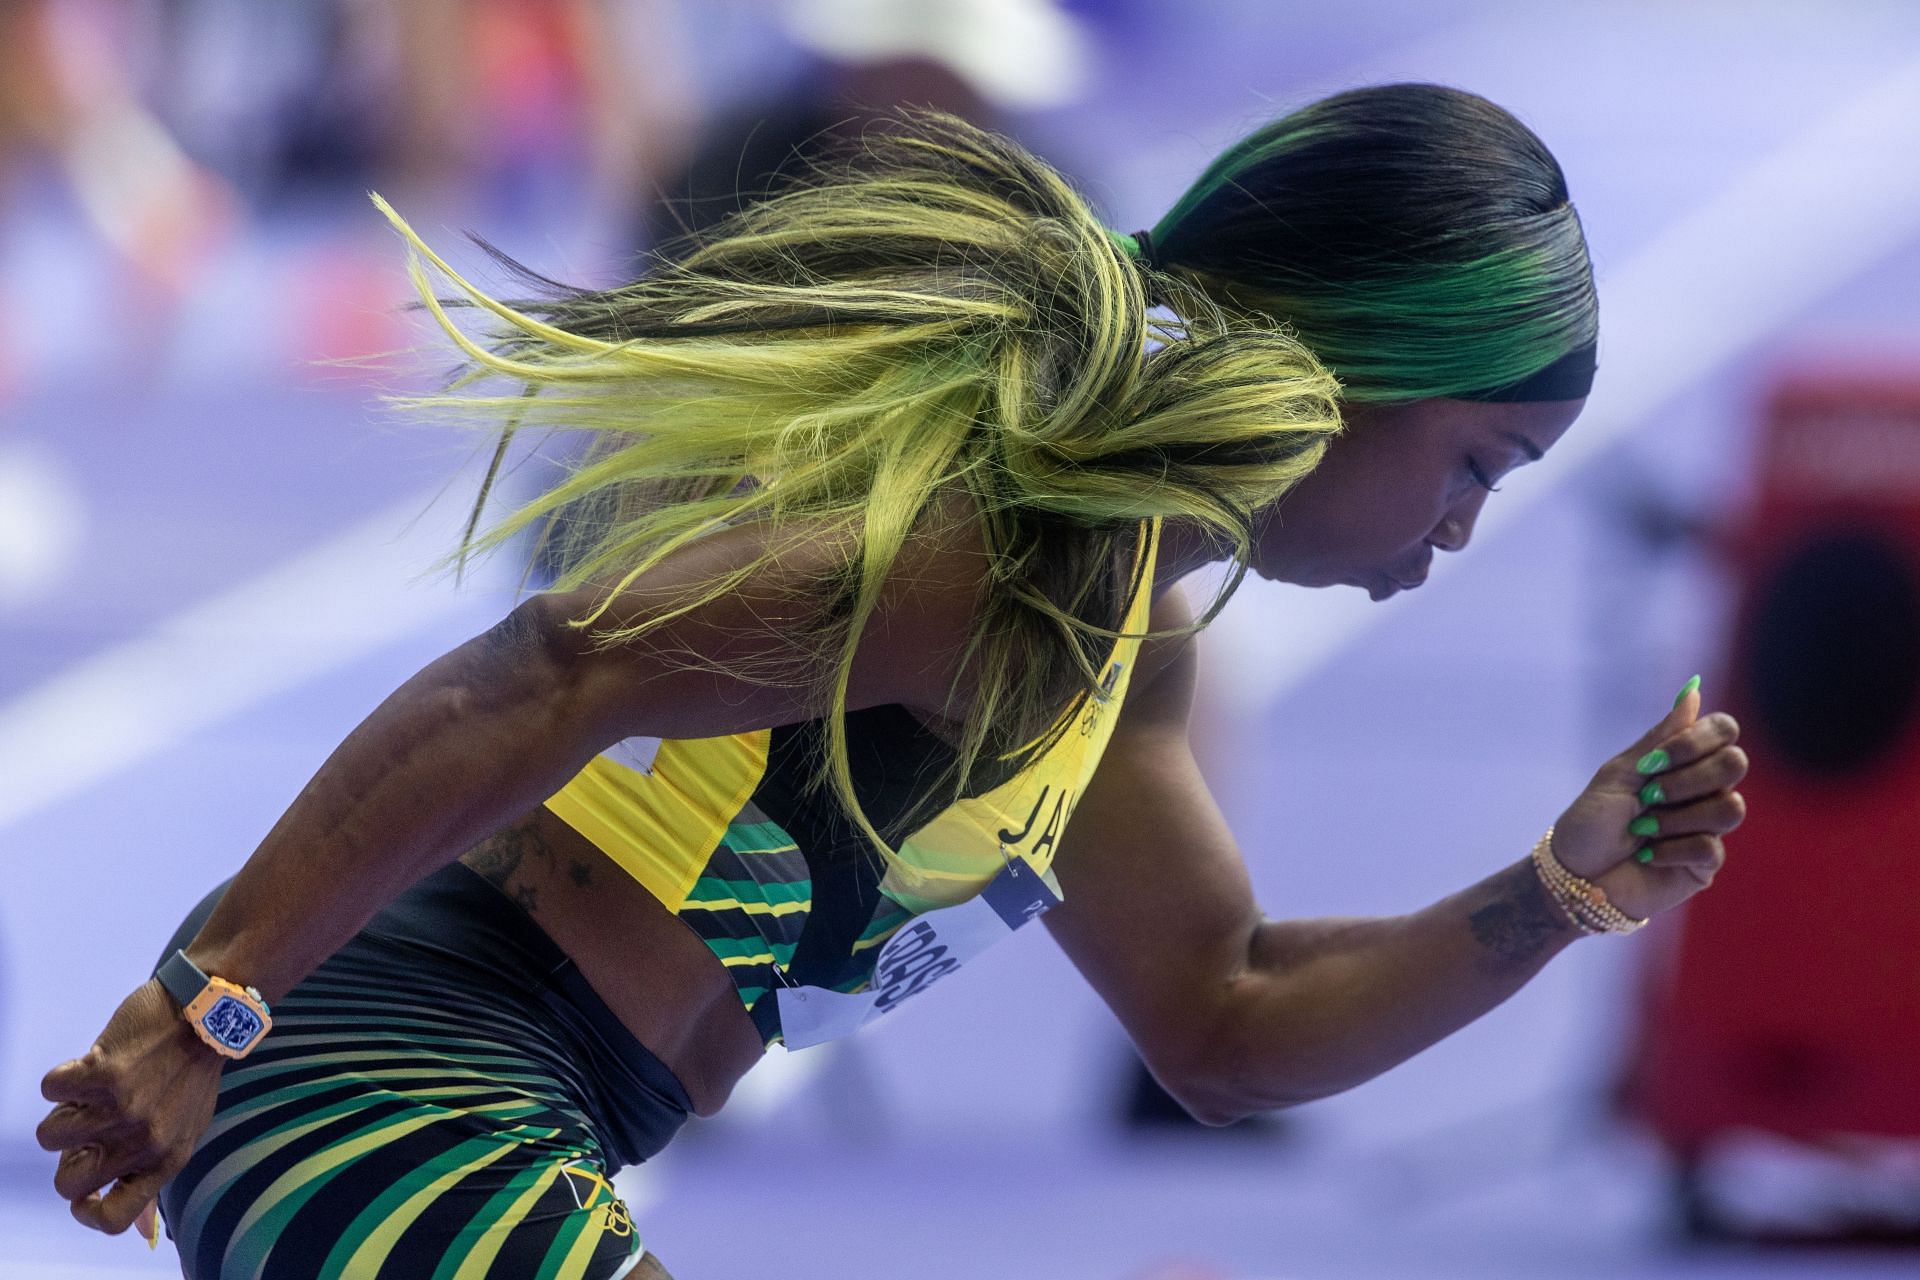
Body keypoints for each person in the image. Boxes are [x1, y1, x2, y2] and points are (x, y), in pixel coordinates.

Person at [36, 85, 1747, 1279]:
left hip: (476, 1119)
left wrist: (1557, 894)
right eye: (1479, 465)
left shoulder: (1116, 626)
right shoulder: (1009, 555)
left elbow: (1224, 1022)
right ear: (1356, 376)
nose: (1462, 531)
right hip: (390, 1096)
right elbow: (556, 665)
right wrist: (213, 1005)